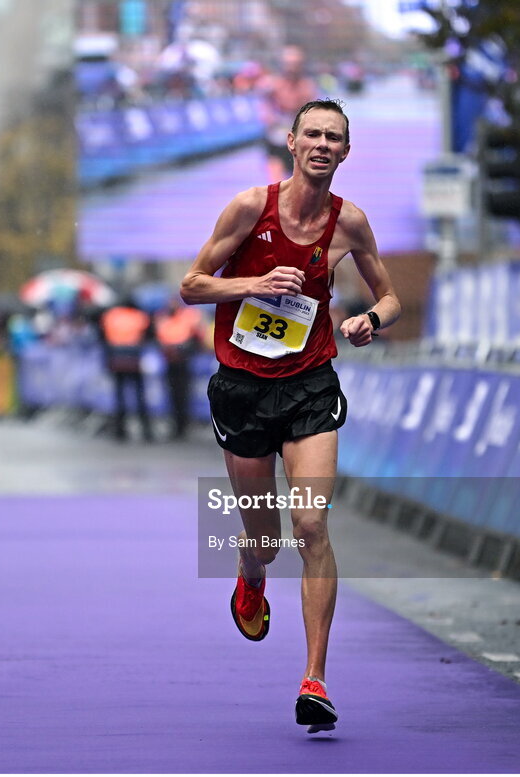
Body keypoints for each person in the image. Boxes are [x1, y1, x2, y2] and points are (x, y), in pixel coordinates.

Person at [180, 98, 400, 733]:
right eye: (314, 134)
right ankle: (251, 576)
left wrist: (369, 320)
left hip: (309, 385)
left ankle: (315, 679)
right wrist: (251, 285)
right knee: (264, 539)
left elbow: (390, 296)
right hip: (243, 388)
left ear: (346, 152)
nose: (323, 145)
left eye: (335, 137)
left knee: (311, 525)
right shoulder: (251, 208)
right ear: (292, 142)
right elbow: (192, 284)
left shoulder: (349, 222)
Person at [259, 46, 317, 184]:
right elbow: (263, 106)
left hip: (299, 137)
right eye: (288, 64)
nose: (291, 68)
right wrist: (270, 118)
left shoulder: (308, 86)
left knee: (300, 184)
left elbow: (314, 111)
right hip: (277, 136)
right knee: (276, 182)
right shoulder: (272, 84)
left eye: (295, 64)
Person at [99, 299, 154, 441]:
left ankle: (120, 430)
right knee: (139, 396)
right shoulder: (139, 316)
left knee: (119, 396)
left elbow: (103, 336)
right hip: (134, 359)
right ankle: (146, 430)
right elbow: (148, 335)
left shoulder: (111, 315)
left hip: (117, 359)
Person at [155, 298, 206, 440]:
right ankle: (177, 425)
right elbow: (159, 338)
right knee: (173, 395)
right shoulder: (163, 318)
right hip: (170, 361)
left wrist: (185, 350)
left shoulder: (188, 317)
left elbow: (197, 339)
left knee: (183, 394)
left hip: (183, 361)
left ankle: (183, 425)